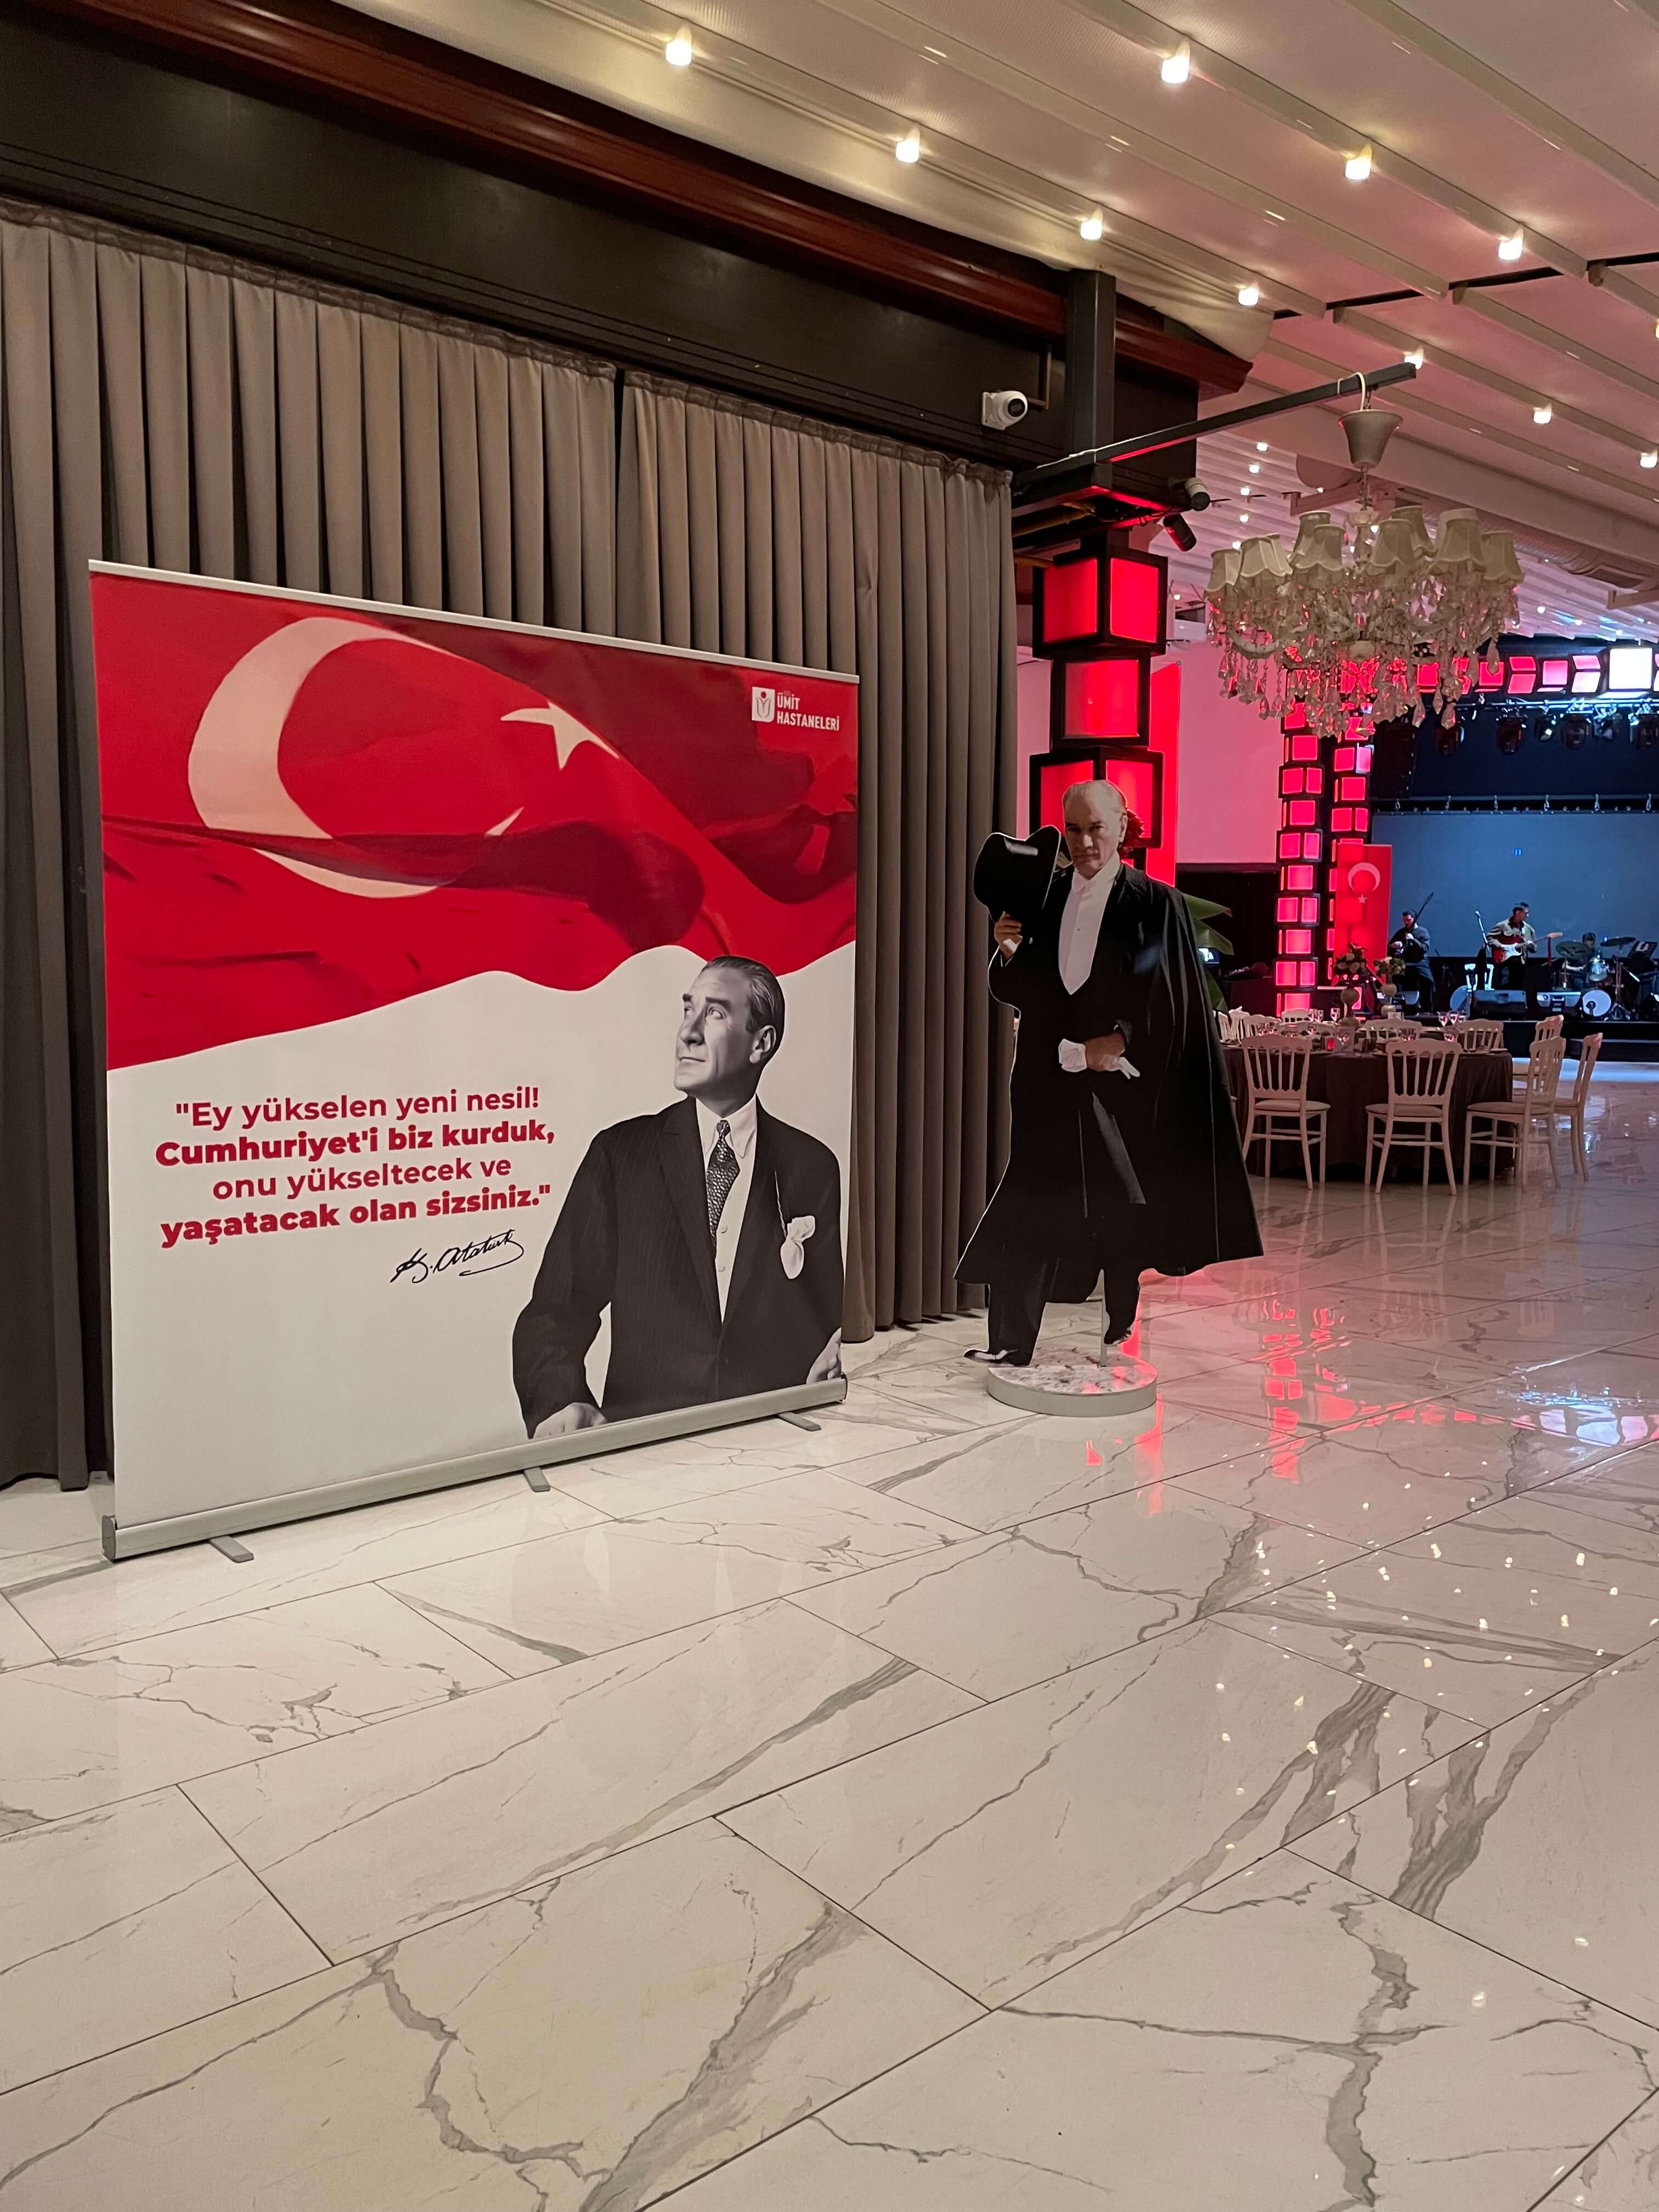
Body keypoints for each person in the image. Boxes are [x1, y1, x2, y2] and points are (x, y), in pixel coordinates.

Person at [957, 779, 1260, 1368]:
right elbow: (1020, 990)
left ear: (1122, 826)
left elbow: (1169, 995)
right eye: (1074, 830)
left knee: (1121, 1201)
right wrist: (1010, 952)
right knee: (1027, 1201)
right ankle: (1011, 1343)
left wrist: (1119, 1040)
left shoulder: (1157, 904)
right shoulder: (1043, 896)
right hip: (1045, 1080)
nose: (1085, 843)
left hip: (1119, 1085)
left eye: (1096, 828)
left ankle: (1120, 1306)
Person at [512, 957, 843, 1436]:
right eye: (688, 1010)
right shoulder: (620, 1156)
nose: (687, 1033)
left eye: (715, 1013)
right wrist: (562, 1403)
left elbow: (826, 1315)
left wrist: (834, 1358)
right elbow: (554, 1316)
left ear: (761, 1043)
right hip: (645, 1449)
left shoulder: (813, 1165)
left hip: (777, 1442)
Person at [1388, 910, 1434, 1012]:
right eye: (1404, 920)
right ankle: (1399, 1006)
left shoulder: (1423, 932)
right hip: (1404, 961)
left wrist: (1413, 940)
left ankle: (1427, 1009)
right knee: (1394, 977)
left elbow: (1425, 948)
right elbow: (1390, 946)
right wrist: (1394, 946)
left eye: (1409, 920)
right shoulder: (1401, 932)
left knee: (1428, 980)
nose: (1406, 923)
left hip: (1419, 962)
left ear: (1414, 920)